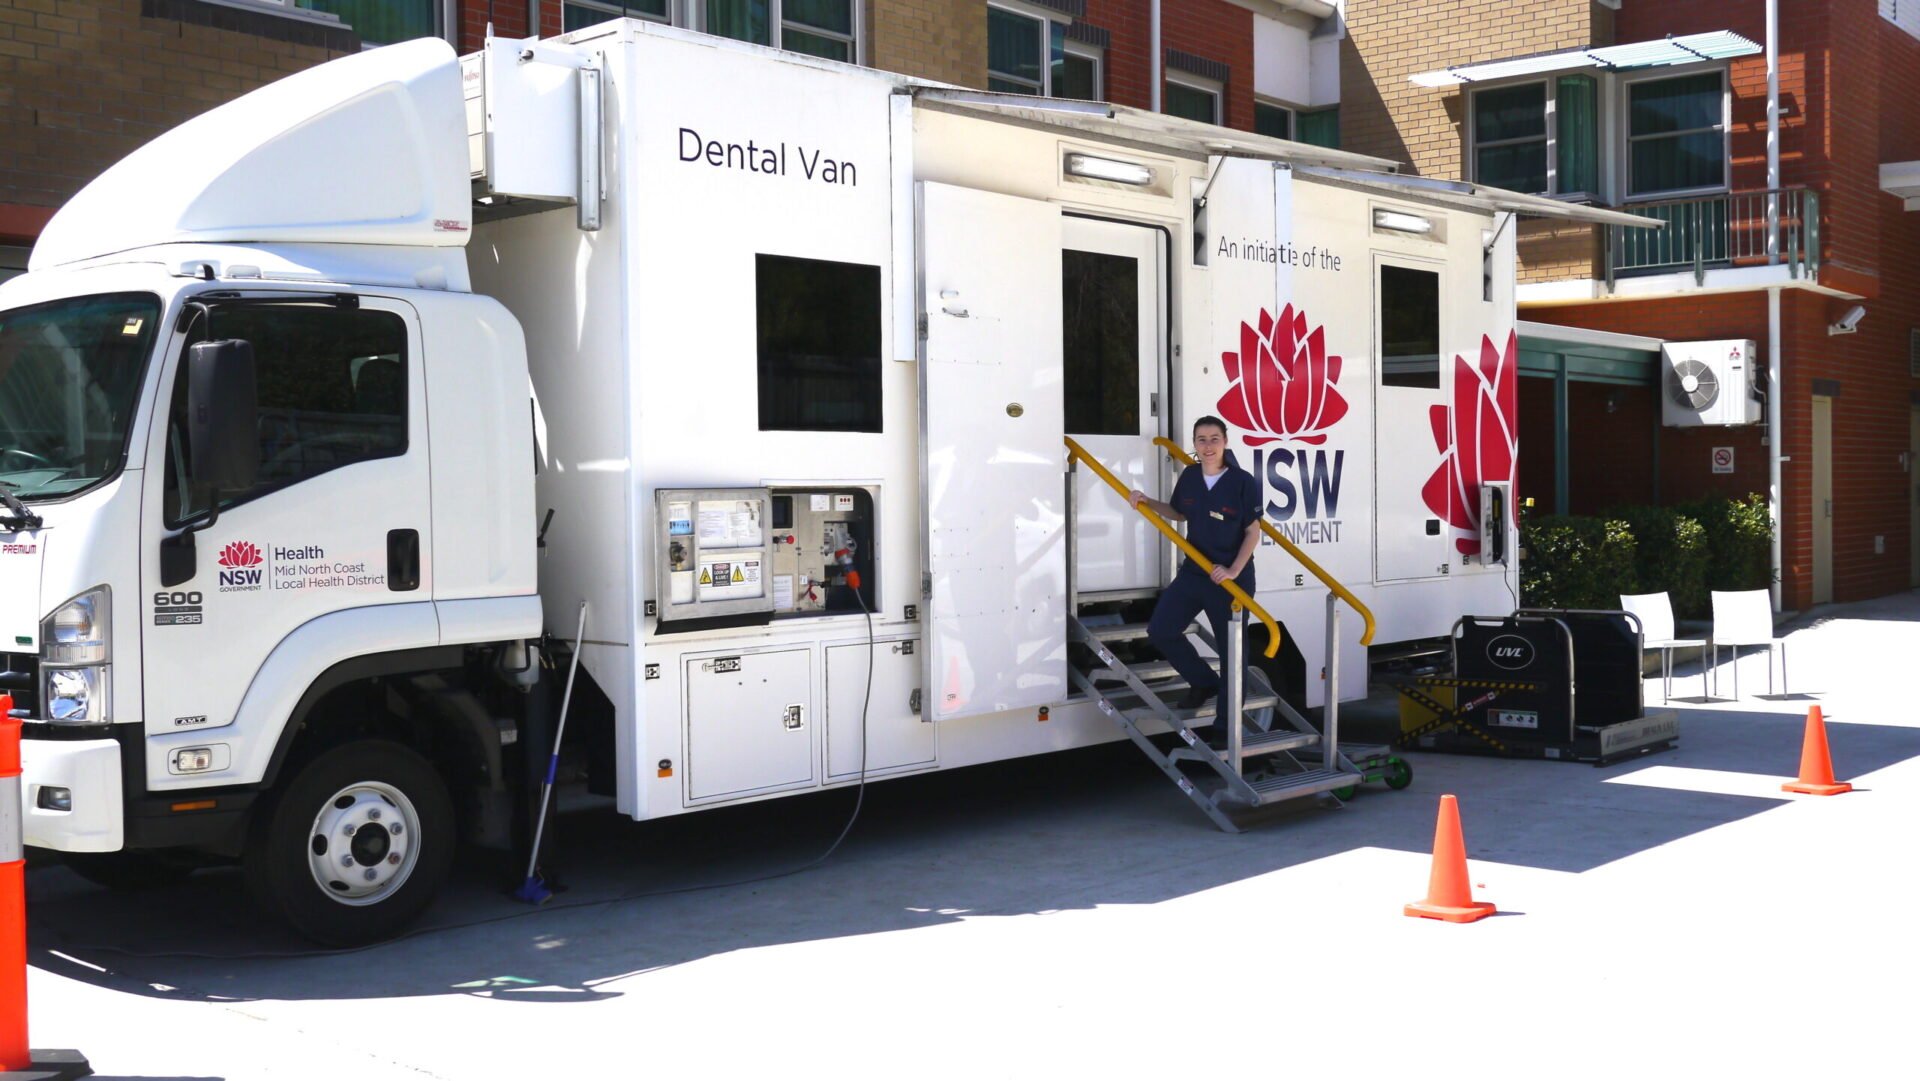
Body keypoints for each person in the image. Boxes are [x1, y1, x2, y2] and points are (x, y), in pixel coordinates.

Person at [1128, 416, 1263, 727]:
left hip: (1231, 580)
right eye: (1201, 439)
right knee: (1161, 630)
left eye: (1214, 438)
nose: (1208, 445)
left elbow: (1252, 532)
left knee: (1232, 655)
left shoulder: (1243, 482)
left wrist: (1232, 570)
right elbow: (1178, 512)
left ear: (1226, 442)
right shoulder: (1189, 476)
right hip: (1195, 572)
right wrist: (1149, 502)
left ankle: (1226, 727)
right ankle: (1203, 681)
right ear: (1195, 445)